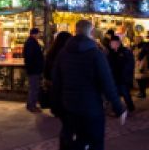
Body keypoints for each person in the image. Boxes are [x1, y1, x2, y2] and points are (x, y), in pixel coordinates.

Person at [51, 20, 127, 150]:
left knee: (72, 141)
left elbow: (56, 81)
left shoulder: (63, 53)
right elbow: (107, 83)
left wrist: (56, 105)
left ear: (76, 31)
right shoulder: (95, 53)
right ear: (91, 32)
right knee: (94, 142)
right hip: (91, 108)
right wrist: (119, 107)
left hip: (69, 107)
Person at [107, 36, 135, 112]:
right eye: (111, 43)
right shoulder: (110, 53)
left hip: (123, 77)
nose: (111, 44)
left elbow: (130, 64)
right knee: (115, 94)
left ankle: (131, 107)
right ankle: (116, 109)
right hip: (114, 77)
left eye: (113, 43)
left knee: (125, 93)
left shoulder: (125, 51)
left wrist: (126, 75)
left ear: (118, 43)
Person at [22, 27, 44, 113]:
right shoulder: (31, 43)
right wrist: (35, 66)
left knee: (33, 87)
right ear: (34, 34)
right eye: (38, 33)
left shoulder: (31, 42)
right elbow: (30, 57)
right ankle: (32, 106)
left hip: (33, 69)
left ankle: (30, 104)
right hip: (34, 69)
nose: (39, 35)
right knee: (34, 88)